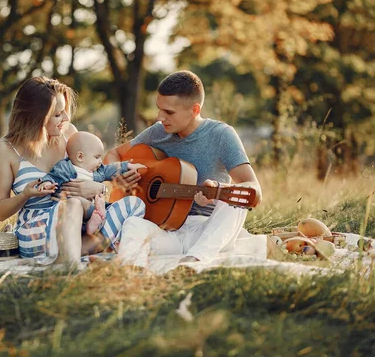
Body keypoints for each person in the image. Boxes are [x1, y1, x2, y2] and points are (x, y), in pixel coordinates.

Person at [104, 70, 263, 268]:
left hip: (207, 231)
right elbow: (113, 155)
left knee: (234, 202)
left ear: (195, 110)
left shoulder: (222, 135)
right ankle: (131, 272)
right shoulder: (158, 132)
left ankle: (193, 262)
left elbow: (253, 189)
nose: (160, 117)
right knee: (132, 224)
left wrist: (218, 190)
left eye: (169, 112)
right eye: (159, 108)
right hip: (167, 233)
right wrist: (118, 175)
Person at [0, 77, 145, 266]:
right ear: (35, 116)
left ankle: (75, 253)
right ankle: (72, 266)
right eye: (57, 114)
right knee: (72, 205)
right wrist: (26, 194)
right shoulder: (6, 149)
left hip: (80, 227)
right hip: (36, 230)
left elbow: (92, 173)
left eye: (65, 111)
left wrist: (98, 189)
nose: (66, 118)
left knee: (134, 204)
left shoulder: (68, 133)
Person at [37, 131, 146, 235]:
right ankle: (97, 217)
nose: (100, 161)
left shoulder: (98, 171)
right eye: (97, 157)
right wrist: (46, 183)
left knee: (119, 205)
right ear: (80, 157)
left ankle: (93, 223)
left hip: (90, 210)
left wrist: (128, 166)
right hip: (72, 212)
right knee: (77, 202)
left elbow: (111, 168)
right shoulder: (65, 168)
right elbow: (53, 176)